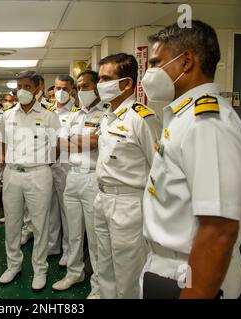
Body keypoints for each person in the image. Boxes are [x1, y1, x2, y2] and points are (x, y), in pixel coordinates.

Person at [140, 20, 241, 299]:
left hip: (189, 273)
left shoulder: (206, 124)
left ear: (186, 61)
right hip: (167, 266)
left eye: (156, 62)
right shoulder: (183, 117)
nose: (150, 72)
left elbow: (219, 229)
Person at [93, 54, 162, 299]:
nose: (100, 84)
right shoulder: (107, 115)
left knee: (129, 272)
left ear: (126, 83)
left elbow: (160, 169)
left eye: (106, 78)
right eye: (99, 78)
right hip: (102, 199)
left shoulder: (142, 118)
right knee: (105, 266)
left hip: (129, 204)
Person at [0, 70, 61, 291]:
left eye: (26, 86)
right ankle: (13, 265)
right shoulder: (7, 115)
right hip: (12, 173)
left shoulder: (49, 115)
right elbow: (2, 143)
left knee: (40, 224)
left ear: (37, 89)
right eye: (19, 86)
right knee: (12, 224)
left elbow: (56, 147)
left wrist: (41, 164)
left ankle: (40, 269)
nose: (21, 91)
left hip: (38, 174)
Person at [52, 70, 105, 299]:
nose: (81, 91)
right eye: (80, 87)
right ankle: (74, 273)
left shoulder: (107, 113)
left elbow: (95, 143)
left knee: (94, 236)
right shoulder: (74, 114)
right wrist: (85, 141)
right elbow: (61, 142)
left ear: (96, 88)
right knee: (73, 232)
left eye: (85, 87)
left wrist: (81, 142)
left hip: (93, 177)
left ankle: (98, 285)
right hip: (73, 176)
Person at [47, 74, 77, 266]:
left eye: (65, 89)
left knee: (68, 210)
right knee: (50, 207)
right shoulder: (47, 112)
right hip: (46, 164)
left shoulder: (77, 113)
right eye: (58, 88)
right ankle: (52, 245)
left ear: (72, 91)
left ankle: (68, 251)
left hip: (66, 165)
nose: (60, 92)